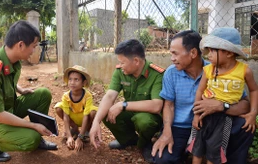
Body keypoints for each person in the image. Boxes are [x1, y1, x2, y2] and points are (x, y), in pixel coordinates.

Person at [149, 30, 254, 164]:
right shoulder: (171, 73)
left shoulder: (220, 70)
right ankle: (184, 153)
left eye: (175, 53)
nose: (172, 58)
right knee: (163, 160)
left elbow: (244, 105)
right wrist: (166, 132)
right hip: (180, 127)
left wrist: (221, 106)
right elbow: (168, 104)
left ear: (193, 53)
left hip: (212, 123)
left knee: (244, 125)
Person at [0, 20, 58, 162]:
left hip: (7, 107)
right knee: (31, 139)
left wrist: (20, 89)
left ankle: (36, 136)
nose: (35, 51)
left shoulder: (12, 60)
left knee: (42, 94)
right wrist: (33, 125)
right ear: (21, 45)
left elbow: (5, 79)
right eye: (34, 46)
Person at [187, 27, 258, 164]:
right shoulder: (208, 70)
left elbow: (254, 90)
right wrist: (196, 114)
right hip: (204, 114)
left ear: (229, 53)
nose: (208, 55)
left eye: (213, 50)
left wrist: (253, 113)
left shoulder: (244, 71)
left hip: (224, 118)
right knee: (197, 147)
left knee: (215, 150)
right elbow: (200, 91)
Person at [89, 39, 164, 155]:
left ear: (136, 61)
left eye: (123, 62)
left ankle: (145, 144)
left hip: (150, 116)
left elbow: (156, 105)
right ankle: (129, 140)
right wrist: (96, 122)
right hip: (130, 112)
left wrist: (122, 105)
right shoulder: (120, 72)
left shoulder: (156, 74)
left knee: (143, 122)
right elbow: (109, 96)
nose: (121, 65)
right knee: (106, 113)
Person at [54, 65, 98, 151]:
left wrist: (80, 138)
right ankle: (74, 129)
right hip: (73, 118)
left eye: (76, 79)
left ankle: (86, 131)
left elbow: (86, 116)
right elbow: (66, 116)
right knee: (59, 108)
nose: (72, 82)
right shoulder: (66, 96)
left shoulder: (87, 96)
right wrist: (69, 136)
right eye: (70, 79)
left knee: (93, 112)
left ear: (84, 83)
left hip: (84, 118)